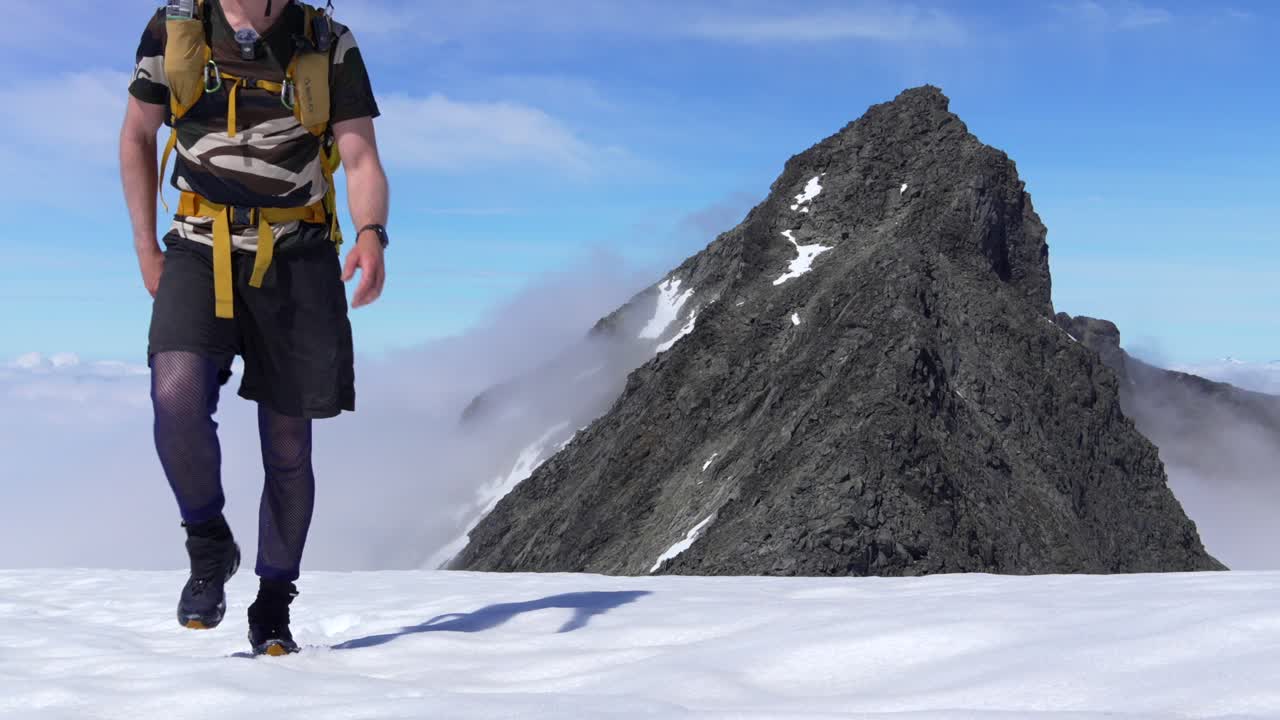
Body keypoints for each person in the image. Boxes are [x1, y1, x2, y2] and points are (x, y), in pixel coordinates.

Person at [118, 0, 389, 656]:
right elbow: (136, 133)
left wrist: (372, 233)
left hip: (297, 253)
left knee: (289, 444)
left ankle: (273, 603)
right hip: (196, 241)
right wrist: (146, 248)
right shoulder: (175, 28)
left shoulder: (327, 41)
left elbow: (358, 155)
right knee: (175, 395)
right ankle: (209, 545)